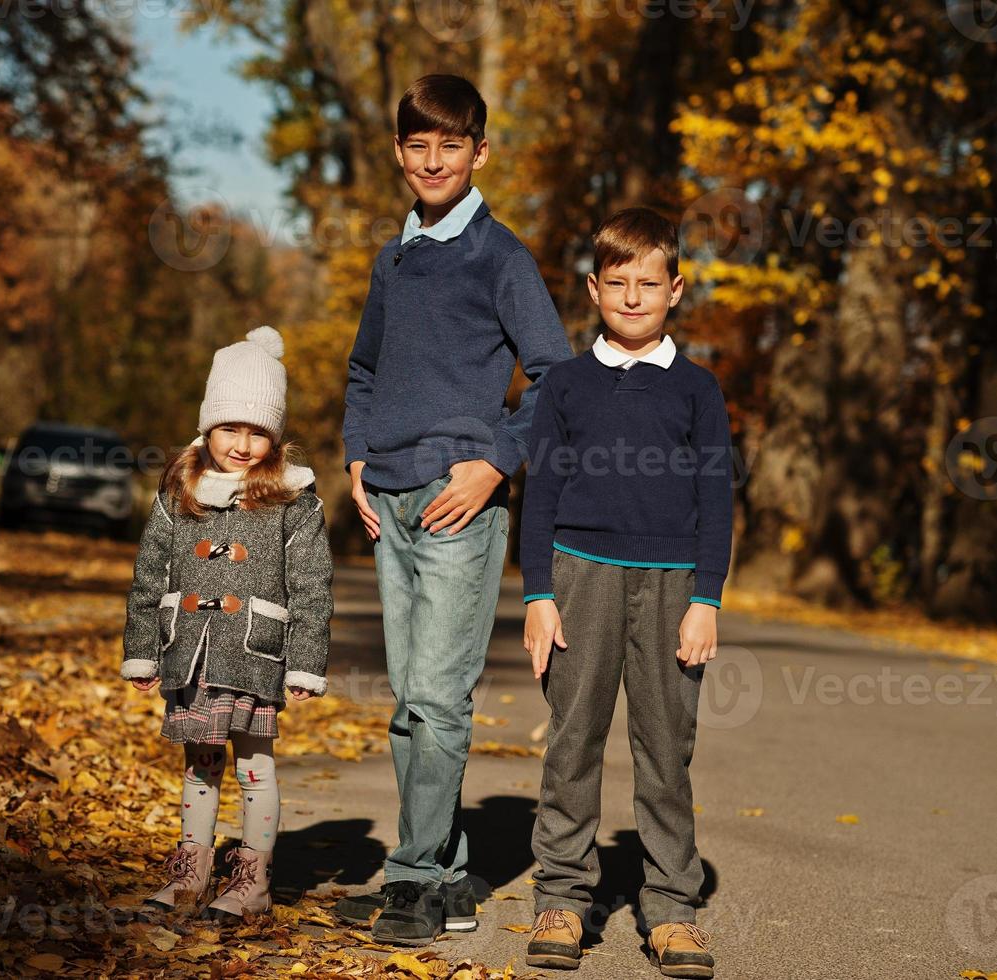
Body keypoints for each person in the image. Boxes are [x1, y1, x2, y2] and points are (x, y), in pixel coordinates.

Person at [335, 73, 573, 947]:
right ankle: (441, 876)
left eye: (450, 145)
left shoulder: (500, 258)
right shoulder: (391, 261)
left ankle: (410, 882)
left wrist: (492, 464)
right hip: (385, 502)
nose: (432, 160)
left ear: (479, 152)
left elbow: (555, 378)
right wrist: (357, 456)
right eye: (417, 145)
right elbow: (363, 372)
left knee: (437, 699)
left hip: (454, 505)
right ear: (399, 153)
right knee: (409, 701)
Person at [519, 207, 733, 978]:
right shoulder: (566, 385)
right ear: (592, 288)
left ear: (674, 289)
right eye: (617, 284)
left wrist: (705, 598)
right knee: (571, 742)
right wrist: (537, 593)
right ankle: (563, 899)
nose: (633, 297)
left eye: (649, 283)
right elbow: (538, 491)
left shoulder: (697, 390)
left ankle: (671, 910)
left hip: (674, 586)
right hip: (578, 575)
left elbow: (717, 498)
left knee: (664, 752)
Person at [121, 325, 334, 923]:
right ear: (208, 426)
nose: (241, 445)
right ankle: (190, 875)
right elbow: (149, 576)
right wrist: (143, 651)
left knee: (253, 765)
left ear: (275, 436)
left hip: (254, 654)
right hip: (189, 651)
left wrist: (306, 663)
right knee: (199, 764)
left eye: (257, 432)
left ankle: (251, 881)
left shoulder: (294, 502)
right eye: (229, 428)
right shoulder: (179, 492)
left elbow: (313, 588)